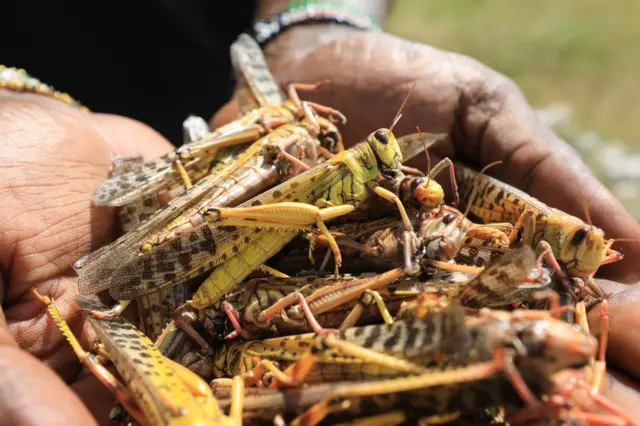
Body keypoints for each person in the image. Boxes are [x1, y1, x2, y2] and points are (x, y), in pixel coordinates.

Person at [1, 1, 640, 424]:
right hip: (180, 189)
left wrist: (313, 19)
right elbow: (308, 213)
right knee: (252, 223)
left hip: (214, 181)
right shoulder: (315, 160)